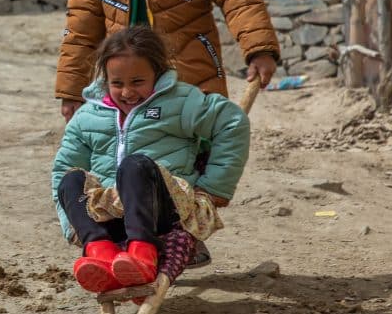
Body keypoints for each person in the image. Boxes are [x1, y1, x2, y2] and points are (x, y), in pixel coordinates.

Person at [55, 0, 279, 266]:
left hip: (188, 73)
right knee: (125, 154)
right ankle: (126, 236)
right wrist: (70, 89)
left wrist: (258, 48)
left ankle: (183, 232)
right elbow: (81, 28)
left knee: (185, 156)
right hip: (124, 79)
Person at [51, 27, 249, 293]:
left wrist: (215, 187)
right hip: (112, 216)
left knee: (135, 165)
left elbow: (232, 123)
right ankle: (100, 252)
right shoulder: (87, 117)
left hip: (163, 211)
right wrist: (72, 225)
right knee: (70, 179)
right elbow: (63, 166)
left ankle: (143, 253)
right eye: (117, 83)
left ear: (157, 73)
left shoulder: (180, 102)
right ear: (105, 80)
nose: (127, 92)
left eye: (137, 82)